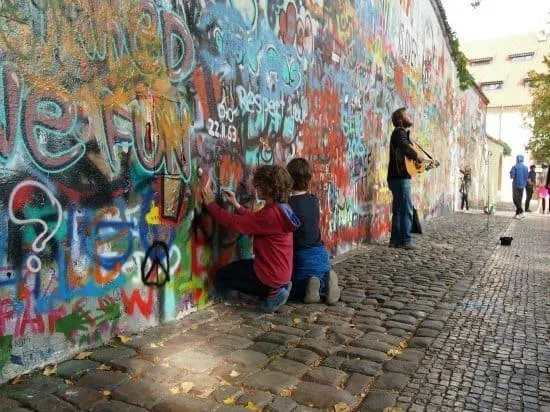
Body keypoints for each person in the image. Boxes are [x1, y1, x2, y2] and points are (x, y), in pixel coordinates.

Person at [201, 165, 300, 312]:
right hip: (280, 271)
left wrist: (211, 205)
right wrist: (236, 205)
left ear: (269, 188)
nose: (255, 188)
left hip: (268, 274)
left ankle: (272, 294)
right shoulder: (282, 209)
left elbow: (234, 223)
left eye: (258, 185)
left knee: (222, 275)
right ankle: (278, 287)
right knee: (241, 269)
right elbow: (256, 221)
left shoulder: (270, 214)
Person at [286, 158, 341, 304]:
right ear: (309, 178)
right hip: (320, 252)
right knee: (318, 277)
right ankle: (326, 282)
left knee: (294, 288)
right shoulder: (313, 200)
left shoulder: (288, 205)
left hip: (302, 255)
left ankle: (308, 286)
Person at [387, 107, 425, 249]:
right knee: (407, 209)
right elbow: (404, 147)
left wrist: (419, 164)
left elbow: (403, 156)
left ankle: (395, 240)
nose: (410, 116)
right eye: (407, 115)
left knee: (398, 209)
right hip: (401, 178)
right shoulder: (400, 132)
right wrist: (416, 156)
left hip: (395, 177)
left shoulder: (399, 134)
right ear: (401, 120)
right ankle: (405, 241)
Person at [509, 155, 529, 219]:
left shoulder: (515, 167)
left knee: (515, 199)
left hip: (516, 185)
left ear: (517, 159)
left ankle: (522, 212)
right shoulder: (526, 168)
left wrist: (510, 172)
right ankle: (517, 214)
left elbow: (512, 176)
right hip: (522, 185)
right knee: (519, 200)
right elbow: (526, 177)